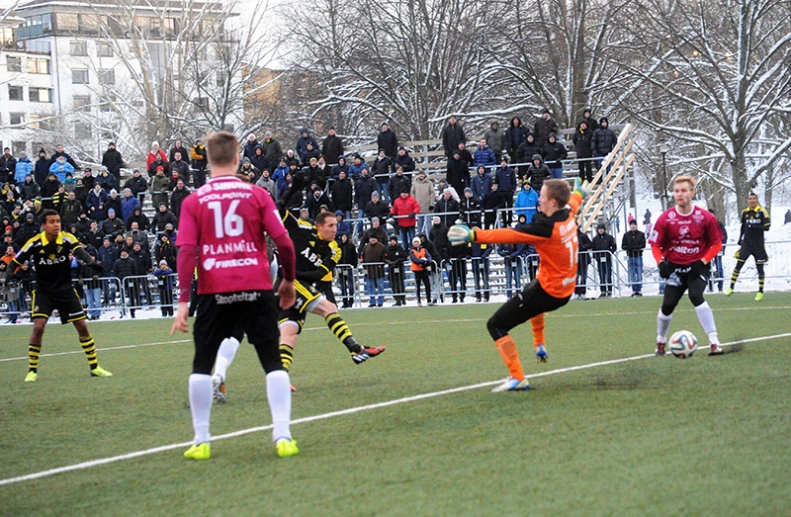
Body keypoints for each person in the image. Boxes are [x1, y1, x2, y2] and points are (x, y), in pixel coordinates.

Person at [171, 130, 299, 460]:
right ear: (238, 156)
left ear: (208, 159)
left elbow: (186, 252)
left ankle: (201, 441)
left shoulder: (193, 201)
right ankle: (283, 435)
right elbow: (284, 243)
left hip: (215, 290)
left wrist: (184, 300)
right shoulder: (257, 195)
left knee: (201, 363)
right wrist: (287, 281)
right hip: (255, 287)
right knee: (272, 362)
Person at [447, 179, 587, 390]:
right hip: (563, 289)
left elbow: (511, 234)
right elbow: (573, 203)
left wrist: (475, 235)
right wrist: (579, 192)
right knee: (533, 293)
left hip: (550, 291)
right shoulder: (567, 214)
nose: (539, 199)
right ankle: (539, 344)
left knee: (496, 324)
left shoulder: (546, 228)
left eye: (542, 195)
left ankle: (517, 376)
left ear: (551, 201)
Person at [9, 209, 111, 382]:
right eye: (52, 221)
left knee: (82, 326)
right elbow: (15, 261)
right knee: (38, 327)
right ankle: (32, 370)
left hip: (65, 290)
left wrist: (92, 263)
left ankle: (95, 367)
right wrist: (10, 276)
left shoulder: (66, 238)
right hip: (43, 292)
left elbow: (79, 251)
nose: (56, 224)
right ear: (43, 225)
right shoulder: (34, 243)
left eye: (58, 221)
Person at [649, 176, 724, 356]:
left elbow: (717, 244)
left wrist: (703, 262)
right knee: (668, 304)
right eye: (676, 191)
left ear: (692, 193)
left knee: (696, 295)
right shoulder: (665, 219)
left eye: (683, 191)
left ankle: (714, 341)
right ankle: (660, 340)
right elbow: (654, 244)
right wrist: (661, 263)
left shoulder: (706, 217)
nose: (679, 194)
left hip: (697, 266)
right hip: (675, 269)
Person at [725, 192, 770, 301]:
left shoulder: (762, 212)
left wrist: (754, 226)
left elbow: (767, 228)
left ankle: (760, 291)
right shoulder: (745, 212)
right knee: (738, 265)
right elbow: (743, 226)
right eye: (750, 199)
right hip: (747, 244)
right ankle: (731, 287)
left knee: (760, 268)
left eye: (754, 198)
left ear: (757, 200)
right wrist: (740, 238)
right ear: (747, 200)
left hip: (758, 245)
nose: (752, 200)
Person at [621, 220, 646, 296]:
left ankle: (639, 289)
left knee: (639, 273)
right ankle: (634, 289)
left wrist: (633, 247)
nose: (633, 226)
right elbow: (623, 245)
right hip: (630, 256)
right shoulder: (626, 235)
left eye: (634, 224)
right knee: (632, 273)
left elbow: (643, 245)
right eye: (631, 225)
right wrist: (630, 248)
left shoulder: (641, 234)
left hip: (638, 256)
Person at [362, 235, 387, 307]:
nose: (372, 240)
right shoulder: (366, 247)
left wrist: (380, 265)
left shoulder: (381, 246)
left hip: (379, 270)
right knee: (370, 286)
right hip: (369, 270)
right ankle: (372, 301)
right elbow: (363, 257)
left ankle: (380, 301)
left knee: (380, 286)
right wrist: (365, 266)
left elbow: (384, 257)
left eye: (374, 238)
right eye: (371, 238)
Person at [592, 223, 616, 297]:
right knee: (601, 276)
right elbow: (593, 249)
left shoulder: (609, 237)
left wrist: (610, 253)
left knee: (608, 275)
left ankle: (609, 290)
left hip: (607, 259)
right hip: (600, 260)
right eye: (599, 229)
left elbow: (614, 246)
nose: (601, 230)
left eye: (602, 229)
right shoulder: (595, 239)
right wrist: (596, 257)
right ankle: (603, 291)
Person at [409, 236, 433, 306]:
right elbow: (414, 260)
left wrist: (427, 262)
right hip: (417, 270)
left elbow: (429, 257)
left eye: (417, 242)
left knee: (427, 285)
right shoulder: (411, 251)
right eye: (415, 242)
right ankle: (419, 301)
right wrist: (423, 261)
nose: (416, 243)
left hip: (424, 269)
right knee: (418, 286)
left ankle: (429, 300)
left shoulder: (424, 250)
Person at [385, 235, 408, 306]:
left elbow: (405, 257)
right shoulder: (387, 249)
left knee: (400, 284)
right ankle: (397, 300)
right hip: (391, 270)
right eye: (391, 240)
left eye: (394, 240)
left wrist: (398, 261)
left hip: (399, 269)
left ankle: (403, 298)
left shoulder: (400, 248)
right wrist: (389, 262)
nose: (393, 242)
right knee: (393, 285)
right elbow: (384, 258)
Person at [708, 220, 728, 293]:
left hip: (718, 249)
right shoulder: (705, 225)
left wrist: (723, 247)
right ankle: (710, 286)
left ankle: (720, 286)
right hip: (709, 250)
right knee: (708, 267)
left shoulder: (719, 224)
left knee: (719, 266)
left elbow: (724, 236)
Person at [575, 228, 593, 298]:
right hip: (574, 260)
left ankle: (582, 292)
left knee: (583, 276)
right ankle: (576, 292)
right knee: (574, 277)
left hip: (583, 259)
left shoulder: (583, 236)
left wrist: (583, 247)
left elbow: (590, 244)